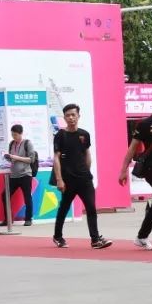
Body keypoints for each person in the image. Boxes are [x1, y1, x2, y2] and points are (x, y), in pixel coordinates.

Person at [52, 104, 112, 249]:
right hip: (68, 180)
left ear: (78, 116)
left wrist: (87, 172)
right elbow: (56, 158)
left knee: (91, 208)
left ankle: (95, 239)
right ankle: (57, 236)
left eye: (73, 114)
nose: (71, 118)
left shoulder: (84, 134)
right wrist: (59, 179)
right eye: (68, 115)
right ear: (64, 117)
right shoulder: (60, 135)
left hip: (84, 179)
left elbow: (87, 154)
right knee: (64, 208)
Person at [118, 93, 152, 250]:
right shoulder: (145, 124)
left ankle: (141, 237)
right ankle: (142, 237)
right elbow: (132, 148)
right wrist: (123, 170)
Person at [3, 125, 37, 227]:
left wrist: (17, 157)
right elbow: (12, 159)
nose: (14, 137)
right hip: (14, 175)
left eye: (15, 135)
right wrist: (9, 158)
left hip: (25, 174)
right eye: (12, 135)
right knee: (4, 195)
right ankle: (8, 219)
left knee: (27, 197)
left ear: (21, 133)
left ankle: (28, 219)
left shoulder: (27, 143)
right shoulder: (11, 144)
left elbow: (31, 159)